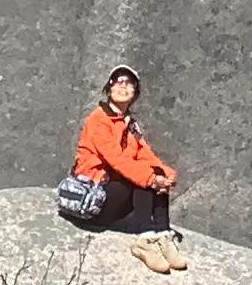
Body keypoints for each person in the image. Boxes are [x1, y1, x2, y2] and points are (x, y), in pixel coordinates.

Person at [67, 67, 184, 266]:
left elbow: (145, 155)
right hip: (92, 200)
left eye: (129, 82)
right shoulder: (98, 120)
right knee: (142, 178)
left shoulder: (129, 124)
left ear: (135, 92)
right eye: (117, 80)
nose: (123, 84)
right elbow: (117, 160)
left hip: (113, 194)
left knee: (152, 172)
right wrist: (152, 180)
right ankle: (145, 239)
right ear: (109, 87)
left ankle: (163, 234)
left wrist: (166, 175)